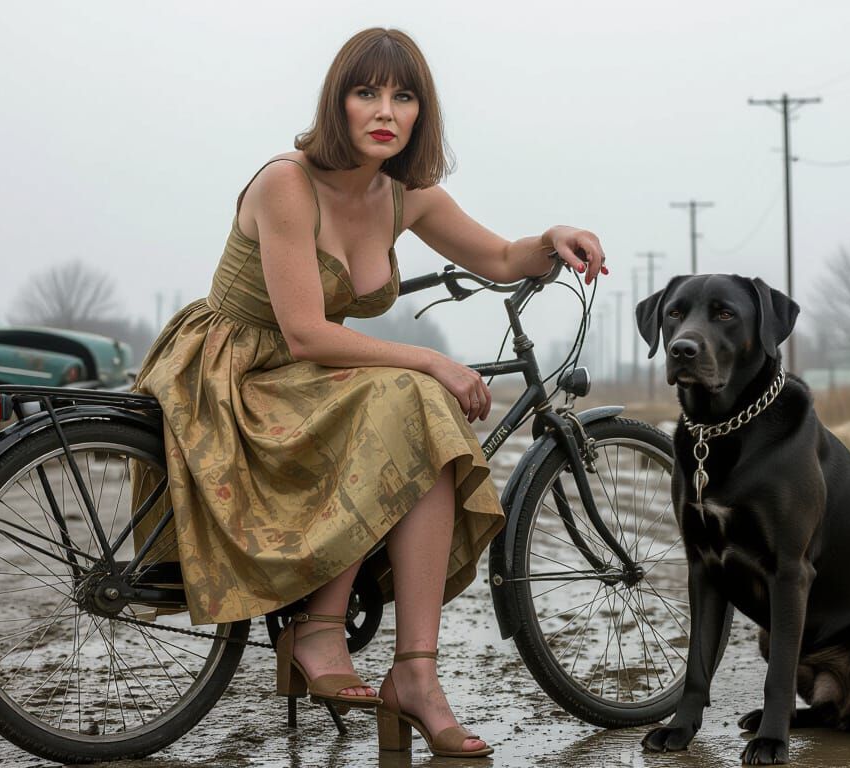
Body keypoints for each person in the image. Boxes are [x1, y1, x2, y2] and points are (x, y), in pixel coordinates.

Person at [133, 27, 606, 758]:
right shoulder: (286, 184)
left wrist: (554, 237)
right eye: (367, 92)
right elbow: (304, 334)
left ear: (421, 112)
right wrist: (433, 361)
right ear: (339, 103)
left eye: (403, 96)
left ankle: (415, 674)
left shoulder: (405, 196)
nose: (385, 110)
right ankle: (321, 632)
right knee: (414, 394)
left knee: (420, 417)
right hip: (232, 375)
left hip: (304, 380)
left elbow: (501, 256)